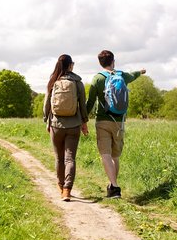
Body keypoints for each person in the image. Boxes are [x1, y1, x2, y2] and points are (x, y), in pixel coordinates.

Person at [86, 50, 146, 198]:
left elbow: (90, 102)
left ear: (100, 63)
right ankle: (113, 184)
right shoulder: (122, 76)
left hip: (103, 121)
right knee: (115, 156)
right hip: (119, 122)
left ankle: (115, 187)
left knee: (105, 154)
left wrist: (83, 119)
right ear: (113, 61)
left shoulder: (97, 79)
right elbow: (134, 75)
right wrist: (141, 71)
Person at [43, 54, 89, 201]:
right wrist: (84, 122)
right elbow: (82, 104)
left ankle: (60, 185)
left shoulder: (53, 81)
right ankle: (67, 190)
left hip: (56, 124)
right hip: (74, 124)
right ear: (70, 65)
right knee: (70, 159)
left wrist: (46, 120)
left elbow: (46, 105)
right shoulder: (77, 82)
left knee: (59, 158)